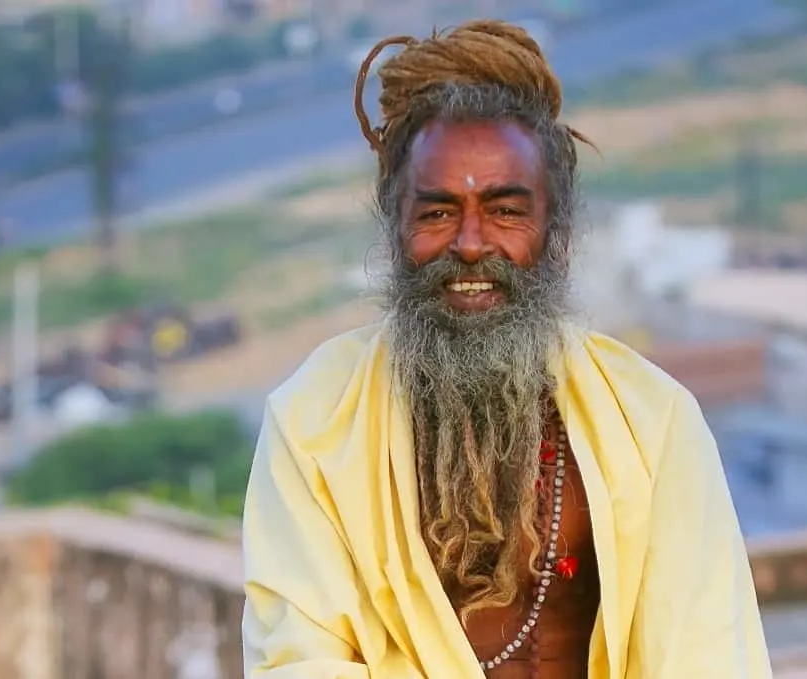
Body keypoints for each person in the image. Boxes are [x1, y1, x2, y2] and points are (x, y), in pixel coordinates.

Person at [241, 19, 772, 679]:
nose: (469, 244)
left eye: (505, 211)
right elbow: (299, 661)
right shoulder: (314, 421)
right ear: (395, 230)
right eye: (436, 213)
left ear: (558, 234)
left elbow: (706, 656)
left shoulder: (653, 422)